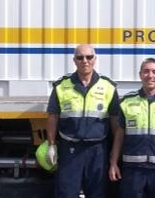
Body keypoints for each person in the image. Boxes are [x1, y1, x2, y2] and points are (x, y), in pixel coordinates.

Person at [45, 44, 119, 198]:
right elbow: (53, 117)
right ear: (74, 60)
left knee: (98, 193)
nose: (85, 61)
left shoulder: (108, 86)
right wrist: (51, 145)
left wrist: (115, 151)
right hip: (70, 149)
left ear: (95, 59)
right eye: (80, 57)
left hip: (98, 150)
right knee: (66, 193)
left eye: (89, 57)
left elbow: (114, 121)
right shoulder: (61, 86)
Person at [108, 58, 155, 197]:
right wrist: (113, 163)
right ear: (140, 75)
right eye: (146, 71)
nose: (150, 75)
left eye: (154, 72)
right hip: (133, 169)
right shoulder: (127, 101)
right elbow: (119, 136)